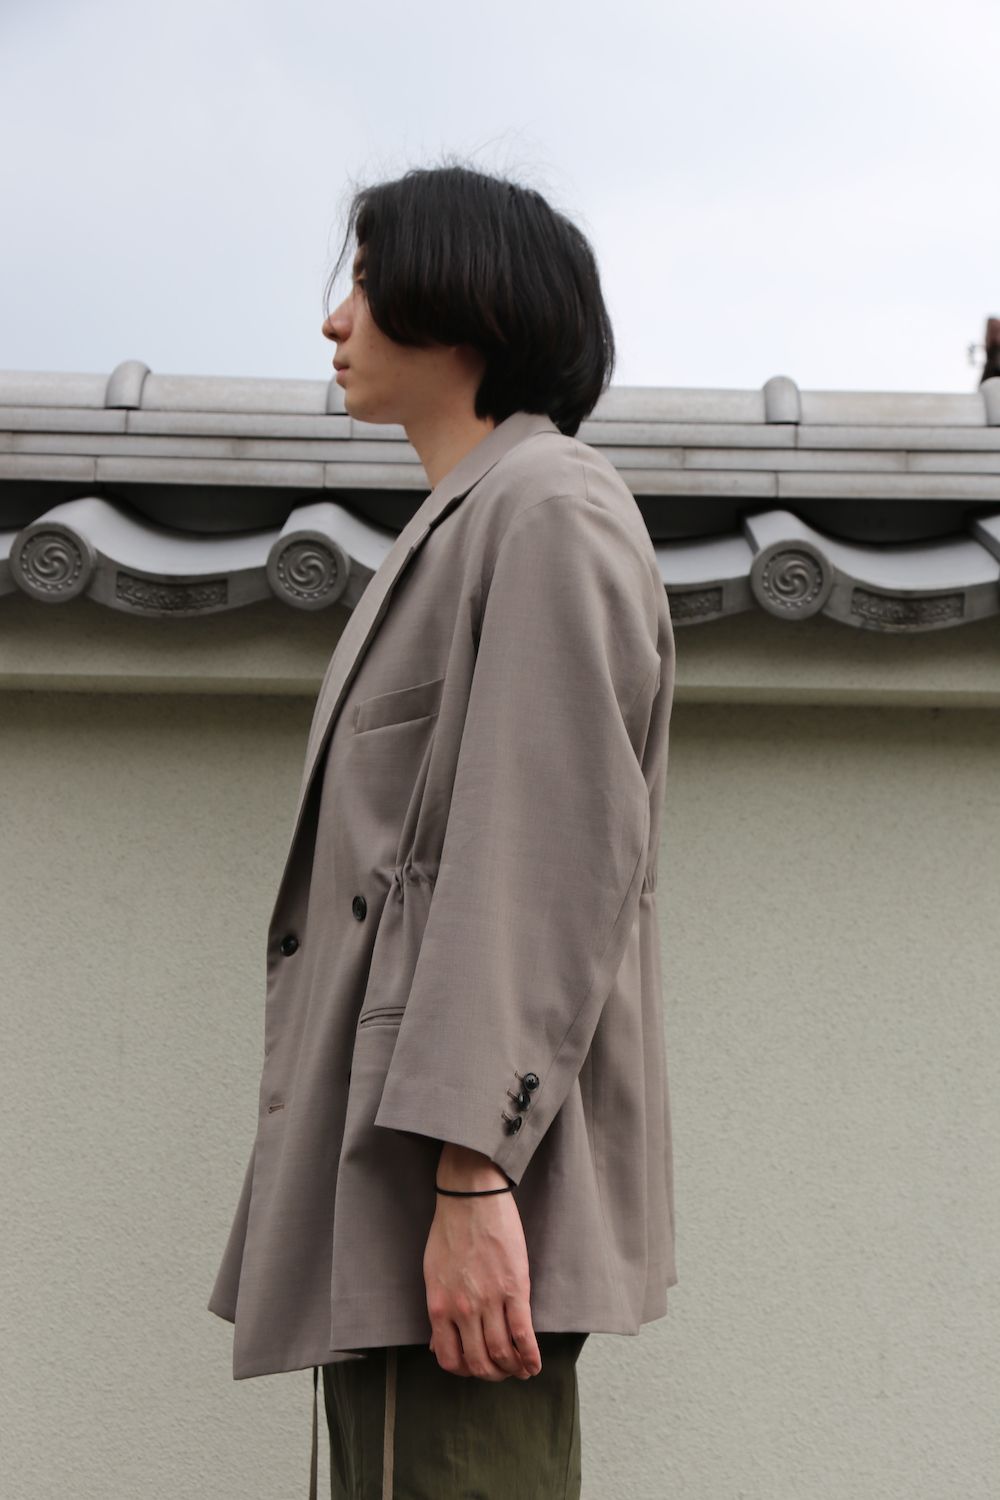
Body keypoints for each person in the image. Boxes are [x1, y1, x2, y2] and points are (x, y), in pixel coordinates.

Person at [208, 157, 677, 1500]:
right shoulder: (467, 524)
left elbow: (545, 862)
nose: (334, 319)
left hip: (460, 1198)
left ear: (461, 302)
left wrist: (474, 1179)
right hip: (403, 1199)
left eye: (365, 283)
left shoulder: (550, 508)